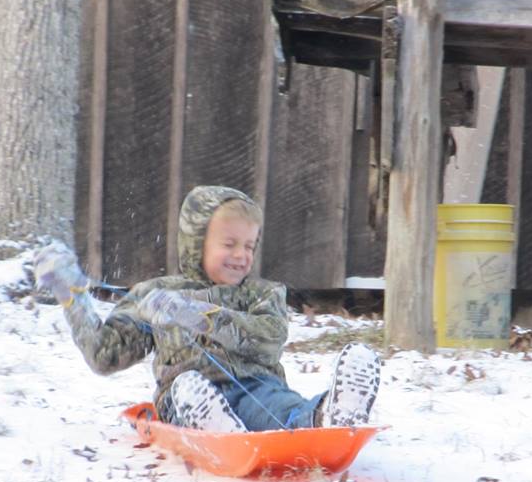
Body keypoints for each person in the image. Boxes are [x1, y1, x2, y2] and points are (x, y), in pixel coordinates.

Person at [34, 185, 380, 433]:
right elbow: (104, 355)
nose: (242, 255)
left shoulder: (262, 293)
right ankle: (212, 425)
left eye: (249, 245)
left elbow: (268, 340)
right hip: (183, 398)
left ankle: (328, 415)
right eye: (229, 244)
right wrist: (72, 295)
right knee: (189, 388)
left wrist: (199, 318)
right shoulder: (154, 294)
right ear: (196, 244)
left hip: (255, 389)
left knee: (280, 407)